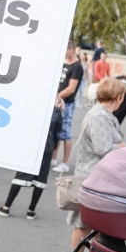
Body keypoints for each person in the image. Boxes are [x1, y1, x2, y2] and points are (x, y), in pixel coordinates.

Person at [65, 78, 126, 252]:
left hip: (96, 177)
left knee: (94, 226)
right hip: (93, 178)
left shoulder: (101, 113)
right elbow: (103, 148)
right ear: (119, 97)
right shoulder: (100, 116)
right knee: (84, 225)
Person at [0, 101, 63, 219]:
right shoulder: (57, 111)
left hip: (31, 145)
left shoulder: (34, 107)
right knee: (40, 179)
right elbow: (58, 133)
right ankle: (31, 210)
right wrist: (54, 147)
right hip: (47, 147)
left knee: (20, 175)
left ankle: (6, 207)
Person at [52, 42, 84, 173]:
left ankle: (65, 163)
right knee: (56, 131)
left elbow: (71, 88)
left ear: (72, 50)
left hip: (67, 103)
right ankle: (53, 158)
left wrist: (58, 96)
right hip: (58, 101)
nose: (64, 53)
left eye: (66, 50)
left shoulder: (77, 67)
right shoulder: (65, 63)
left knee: (65, 133)